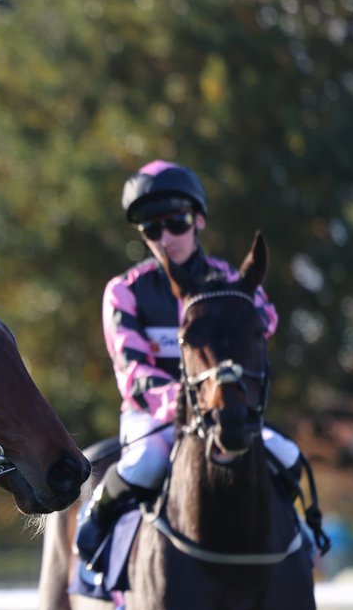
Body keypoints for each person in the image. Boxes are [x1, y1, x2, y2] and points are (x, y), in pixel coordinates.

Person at [74, 159, 303, 567]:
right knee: (146, 465)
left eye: (176, 222)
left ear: (198, 220)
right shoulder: (124, 292)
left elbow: (266, 319)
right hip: (156, 418)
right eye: (151, 228)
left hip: (223, 408)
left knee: (285, 455)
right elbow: (133, 374)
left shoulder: (229, 279)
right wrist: (185, 402)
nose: (165, 237)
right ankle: (95, 531)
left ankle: (298, 534)